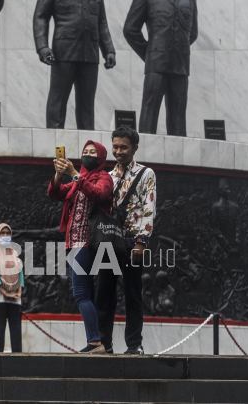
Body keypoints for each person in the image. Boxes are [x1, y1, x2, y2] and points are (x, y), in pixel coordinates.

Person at [33, 0, 116, 130]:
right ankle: (54, 145)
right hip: (63, 52)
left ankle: (87, 150)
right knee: (58, 100)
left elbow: (101, 21)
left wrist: (109, 50)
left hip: (90, 52)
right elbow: (41, 16)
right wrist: (42, 47)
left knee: (87, 104)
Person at [123, 0, 198, 136]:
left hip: (180, 63)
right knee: (150, 109)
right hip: (156, 63)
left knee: (178, 113)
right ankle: (144, 155)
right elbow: (130, 30)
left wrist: (175, 50)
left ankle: (179, 161)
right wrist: (150, 53)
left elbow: (193, 32)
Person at [47, 141, 112, 354]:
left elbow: (98, 194)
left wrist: (74, 173)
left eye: (93, 152)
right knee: (88, 294)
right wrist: (59, 174)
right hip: (73, 244)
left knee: (81, 293)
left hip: (88, 244)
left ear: (101, 156)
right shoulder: (77, 182)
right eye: (85, 152)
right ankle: (95, 341)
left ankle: (95, 342)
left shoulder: (104, 178)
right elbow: (55, 193)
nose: (88, 154)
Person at [97, 126, 157, 355]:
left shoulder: (146, 174)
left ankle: (134, 344)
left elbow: (149, 209)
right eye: (115, 146)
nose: (119, 151)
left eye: (124, 147)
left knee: (133, 293)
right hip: (108, 243)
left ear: (135, 148)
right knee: (105, 293)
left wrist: (142, 241)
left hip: (133, 243)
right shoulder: (107, 176)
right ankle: (104, 343)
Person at [0, 223, 24, 353]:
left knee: (16, 331)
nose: (5, 236)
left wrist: (19, 290)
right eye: (3, 233)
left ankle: (18, 361)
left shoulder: (13, 251)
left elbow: (20, 271)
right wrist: (4, 291)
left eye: (8, 233)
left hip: (15, 298)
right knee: (0, 331)